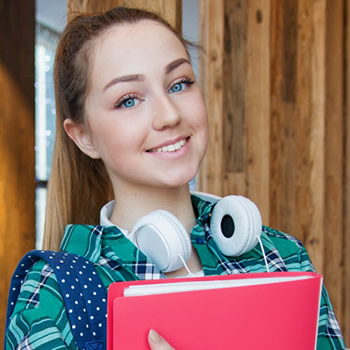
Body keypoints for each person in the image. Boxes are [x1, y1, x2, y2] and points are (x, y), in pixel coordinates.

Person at [5, 6, 346, 350]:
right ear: (83, 137)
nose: (169, 114)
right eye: (128, 101)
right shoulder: (54, 293)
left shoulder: (282, 258)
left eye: (179, 83)